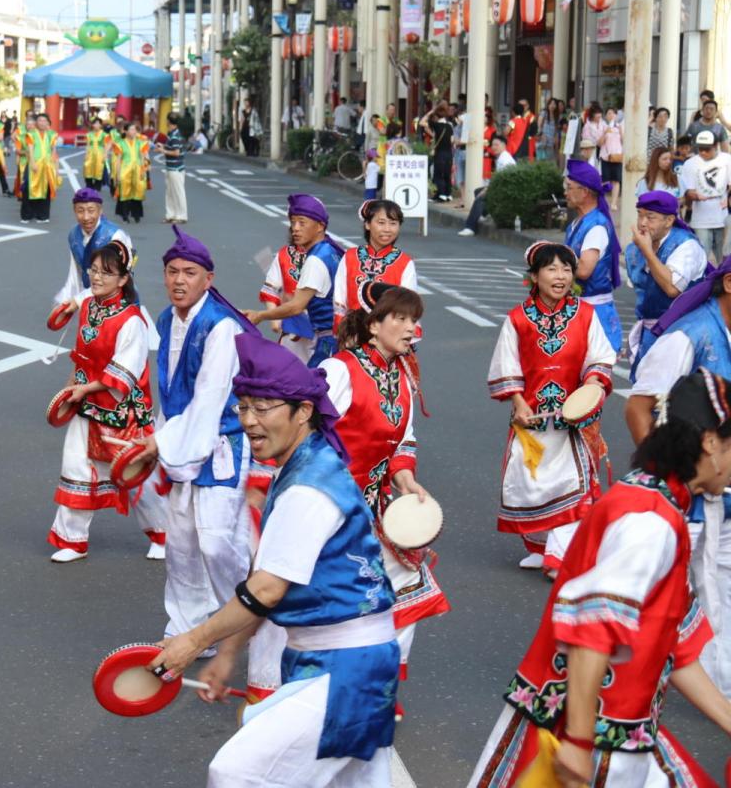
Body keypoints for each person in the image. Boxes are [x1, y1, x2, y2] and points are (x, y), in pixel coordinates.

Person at [149, 333, 399, 787]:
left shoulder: (307, 486)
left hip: (343, 668)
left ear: (303, 412)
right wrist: (226, 653)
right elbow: (263, 583)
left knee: (237, 773)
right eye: (243, 406)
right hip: (343, 661)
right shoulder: (305, 465)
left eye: (262, 408)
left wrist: (191, 642)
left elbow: (266, 589)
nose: (249, 420)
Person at [468, 370, 731, 788]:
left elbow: (673, 644)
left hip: (614, 727)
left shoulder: (652, 499)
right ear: (711, 443)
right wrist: (577, 738)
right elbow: (591, 625)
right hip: (595, 739)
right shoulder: (652, 522)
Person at [322, 281, 448, 718]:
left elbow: (402, 443)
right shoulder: (340, 370)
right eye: (401, 318)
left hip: (374, 508)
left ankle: (380, 688)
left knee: (406, 592)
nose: (412, 328)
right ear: (374, 326)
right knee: (329, 601)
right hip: (330, 509)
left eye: (415, 320)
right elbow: (307, 430)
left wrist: (407, 481)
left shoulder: (402, 375)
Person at [128, 226, 257, 647]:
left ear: (208, 279)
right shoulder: (166, 320)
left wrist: (161, 444)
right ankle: (189, 631)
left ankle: (250, 624)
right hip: (182, 444)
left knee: (220, 544)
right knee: (181, 544)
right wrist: (159, 439)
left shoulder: (220, 327)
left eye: (189, 272)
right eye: (171, 271)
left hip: (221, 444)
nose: (179, 280)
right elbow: (172, 394)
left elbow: (209, 398)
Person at [626, 261, 731, 696]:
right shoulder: (689, 336)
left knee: (717, 590)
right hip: (693, 495)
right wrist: (675, 478)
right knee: (695, 591)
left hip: (723, 487)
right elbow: (638, 407)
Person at [487, 242, 616, 572]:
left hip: (575, 422)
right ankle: (540, 547)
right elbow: (507, 364)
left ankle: (560, 556)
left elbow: (600, 358)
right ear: (534, 276)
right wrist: (517, 402)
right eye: (552, 269)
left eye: (566, 269)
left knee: (571, 484)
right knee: (528, 482)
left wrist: (590, 388)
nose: (561, 276)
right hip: (532, 419)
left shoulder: (585, 315)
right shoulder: (518, 319)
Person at [46, 240, 166, 562]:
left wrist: (86, 389)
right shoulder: (89, 307)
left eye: (106, 273)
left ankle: (163, 534)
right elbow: (82, 355)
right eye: (94, 270)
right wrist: (73, 385)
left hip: (122, 412)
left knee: (131, 475)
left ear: (124, 279)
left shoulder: (132, 320)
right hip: (87, 404)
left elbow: (124, 375)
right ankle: (73, 540)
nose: (97, 277)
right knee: (75, 465)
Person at [245, 194, 345, 365]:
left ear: (320, 226)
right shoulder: (331, 251)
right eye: (293, 222)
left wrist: (260, 315)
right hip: (329, 337)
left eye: (302, 222)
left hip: (325, 341)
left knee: (307, 388)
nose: (295, 228)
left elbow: (296, 306)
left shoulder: (316, 260)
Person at [624, 191, 707, 372]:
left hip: (681, 332)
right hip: (649, 331)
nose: (643, 223)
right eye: (640, 215)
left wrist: (647, 252)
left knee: (672, 393)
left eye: (650, 217)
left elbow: (672, 288)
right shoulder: (633, 249)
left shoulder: (686, 245)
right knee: (645, 391)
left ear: (669, 221)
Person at [563, 159, 624, 352]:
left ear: (585, 192)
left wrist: (550, 270)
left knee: (592, 377)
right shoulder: (577, 223)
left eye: (570, 188)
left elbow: (583, 270)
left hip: (593, 312)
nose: (566, 192)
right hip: (578, 308)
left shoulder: (596, 226)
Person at [332, 200, 419, 331]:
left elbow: (408, 307)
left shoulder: (405, 263)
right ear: (367, 224)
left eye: (393, 223)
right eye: (381, 223)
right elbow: (339, 298)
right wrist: (343, 332)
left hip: (388, 338)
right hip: (353, 335)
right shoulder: (350, 257)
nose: (387, 229)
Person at [54, 188, 134, 308]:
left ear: (100, 210)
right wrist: (64, 299)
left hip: (115, 300)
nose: (86, 217)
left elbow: (118, 277)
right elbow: (75, 273)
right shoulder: (74, 235)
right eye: (80, 211)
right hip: (90, 299)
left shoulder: (114, 235)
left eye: (91, 210)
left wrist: (79, 299)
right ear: (74, 211)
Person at [681, 130, 731, 264]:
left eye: (707, 149)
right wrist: (695, 195)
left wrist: (729, 199)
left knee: (725, 257)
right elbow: (688, 191)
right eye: (700, 149)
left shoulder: (727, 159)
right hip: (701, 218)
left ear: (716, 146)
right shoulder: (690, 163)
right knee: (702, 257)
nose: (703, 152)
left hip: (722, 216)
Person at [458, 135, 516, 236]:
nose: (494, 147)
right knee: (478, 191)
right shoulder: (503, 157)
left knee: (480, 198)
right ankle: (484, 214)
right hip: (503, 188)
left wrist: (487, 190)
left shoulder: (504, 160)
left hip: (506, 191)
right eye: (492, 144)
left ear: (504, 145)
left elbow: (500, 182)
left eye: (496, 145)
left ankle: (470, 227)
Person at [19, 113, 61, 223]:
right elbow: (30, 149)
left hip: (47, 165)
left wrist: (55, 167)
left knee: (45, 189)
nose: (42, 122)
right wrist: (32, 162)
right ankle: (26, 215)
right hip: (35, 163)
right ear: (36, 123)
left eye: (44, 120)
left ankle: (43, 215)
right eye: (39, 120)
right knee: (29, 188)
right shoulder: (31, 134)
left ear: (48, 123)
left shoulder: (52, 134)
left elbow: (54, 150)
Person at [111, 122, 150, 224]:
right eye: (131, 129)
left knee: (138, 191)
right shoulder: (120, 144)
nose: (134, 132)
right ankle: (125, 215)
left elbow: (144, 156)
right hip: (125, 170)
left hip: (137, 169)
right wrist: (118, 174)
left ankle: (136, 215)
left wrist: (145, 169)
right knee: (125, 193)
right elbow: (118, 160)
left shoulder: (140, 143)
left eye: (135, 130)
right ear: (126, 131)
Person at [421, 101, 455, 202]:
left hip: (440, 153)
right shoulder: (449, 126)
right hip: (449, 154)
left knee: (438, 174)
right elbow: (452, 141)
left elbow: (422, 122)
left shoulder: (435, 125)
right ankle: (448, 194)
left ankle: (441, 195)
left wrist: (430, 112)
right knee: (447, 174)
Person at [158, 112, 188, 224]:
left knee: (178, 192)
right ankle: (171, 214)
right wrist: (164, 146)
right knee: (170, 192)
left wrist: (163, 150)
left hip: (176, 168)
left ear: (169, 122)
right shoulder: (173, 134)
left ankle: (181, 215)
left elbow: (176, 152)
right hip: (172, 167)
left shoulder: (174, 136)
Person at [597, 106, 624, 210]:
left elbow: (623, 141)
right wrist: (605, 132)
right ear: (606, 116)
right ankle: (604, 202)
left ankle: (613, 203)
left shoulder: (620, 126)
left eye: (613, 113)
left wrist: (620, 131)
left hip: (617, 156)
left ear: (616, 115)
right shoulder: (603, 126)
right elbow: (599, 144)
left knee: (616, 180)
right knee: (605, 180)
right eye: (609, 113)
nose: (611, 115)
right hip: (605, 157)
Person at [82, 117, 111, 191]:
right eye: (95, 123)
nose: (96, 125)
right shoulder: (89, 135)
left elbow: (107, 145)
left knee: (99, 170)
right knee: (88, 169)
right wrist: (86, 154)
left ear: (101, 125)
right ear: (92, 125)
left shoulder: (105, 135)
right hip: (91, 153)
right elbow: (88, 145)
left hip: (100, 154)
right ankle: (89, 185)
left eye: (98, 123)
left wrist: (105, 154)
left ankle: (98, 186)